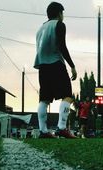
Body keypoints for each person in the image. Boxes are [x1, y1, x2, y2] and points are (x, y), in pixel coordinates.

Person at [34, 2, 77, 139]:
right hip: (56, 63)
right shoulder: (59, 24)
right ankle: (62, 128)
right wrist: (72, 66)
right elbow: (62, 46)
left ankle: (43, 130)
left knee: (44, 99)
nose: (63, 16)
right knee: (67, 96)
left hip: (42, 66)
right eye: (62, 13)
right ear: (59, 13)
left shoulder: (40, 29)